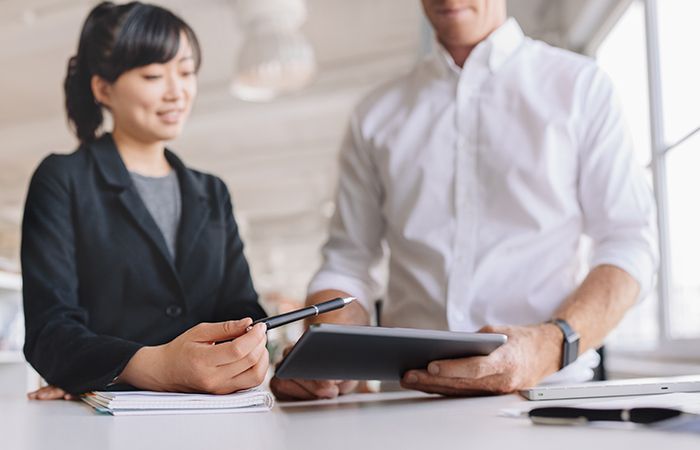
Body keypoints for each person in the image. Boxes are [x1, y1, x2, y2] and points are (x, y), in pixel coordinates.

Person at [270, 0, 657, 400]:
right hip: (407, 401)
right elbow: (346, 263)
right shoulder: (375, 114)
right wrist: (332, 349)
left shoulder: (580, 86)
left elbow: (629, 244)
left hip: (544, 392)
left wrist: (546, 346)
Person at [22, 1, 269, 400]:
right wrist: (154, 367)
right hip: (108, 414)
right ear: (103, 88)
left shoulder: (212, 192)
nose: (177, 92)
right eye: (154, 75)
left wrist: (254, 346)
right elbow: (49, 329)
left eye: (186, 72)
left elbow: (241, 307)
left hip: (215, 413)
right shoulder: (64, 179)